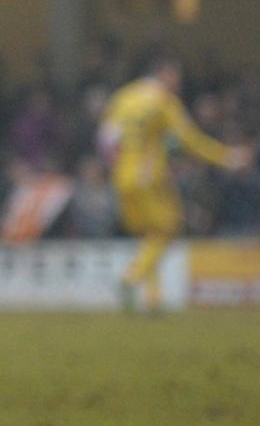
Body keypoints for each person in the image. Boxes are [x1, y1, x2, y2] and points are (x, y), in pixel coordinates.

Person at [97, 52, 250, 313]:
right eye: (175, 75)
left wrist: (118, 167)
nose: (178, 82)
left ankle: (153, 299)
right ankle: (130, 279)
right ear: (164, 73)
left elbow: (105, 138)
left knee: (149, 236)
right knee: (169, 228)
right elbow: (190, 139)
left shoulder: (125, 96)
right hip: (148, 176)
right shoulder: (163, 101)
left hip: (122, 176)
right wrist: (228, 157)